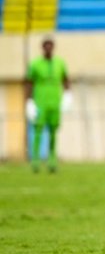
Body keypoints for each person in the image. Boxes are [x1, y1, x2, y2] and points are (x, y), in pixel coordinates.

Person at [25, 36, 71, 173]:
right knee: (38, 131)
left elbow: (66, 79)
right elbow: (29, 82)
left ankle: (52, 160)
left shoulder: (60, 63)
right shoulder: (35, 64)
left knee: (53, 132)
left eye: (50, 45)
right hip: (40, 102)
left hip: (55, 102)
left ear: (53, 47)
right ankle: (35, 161)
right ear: (42, 47)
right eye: (46, 45)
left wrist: (68, 95)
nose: (48, 48)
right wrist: (29, 100)